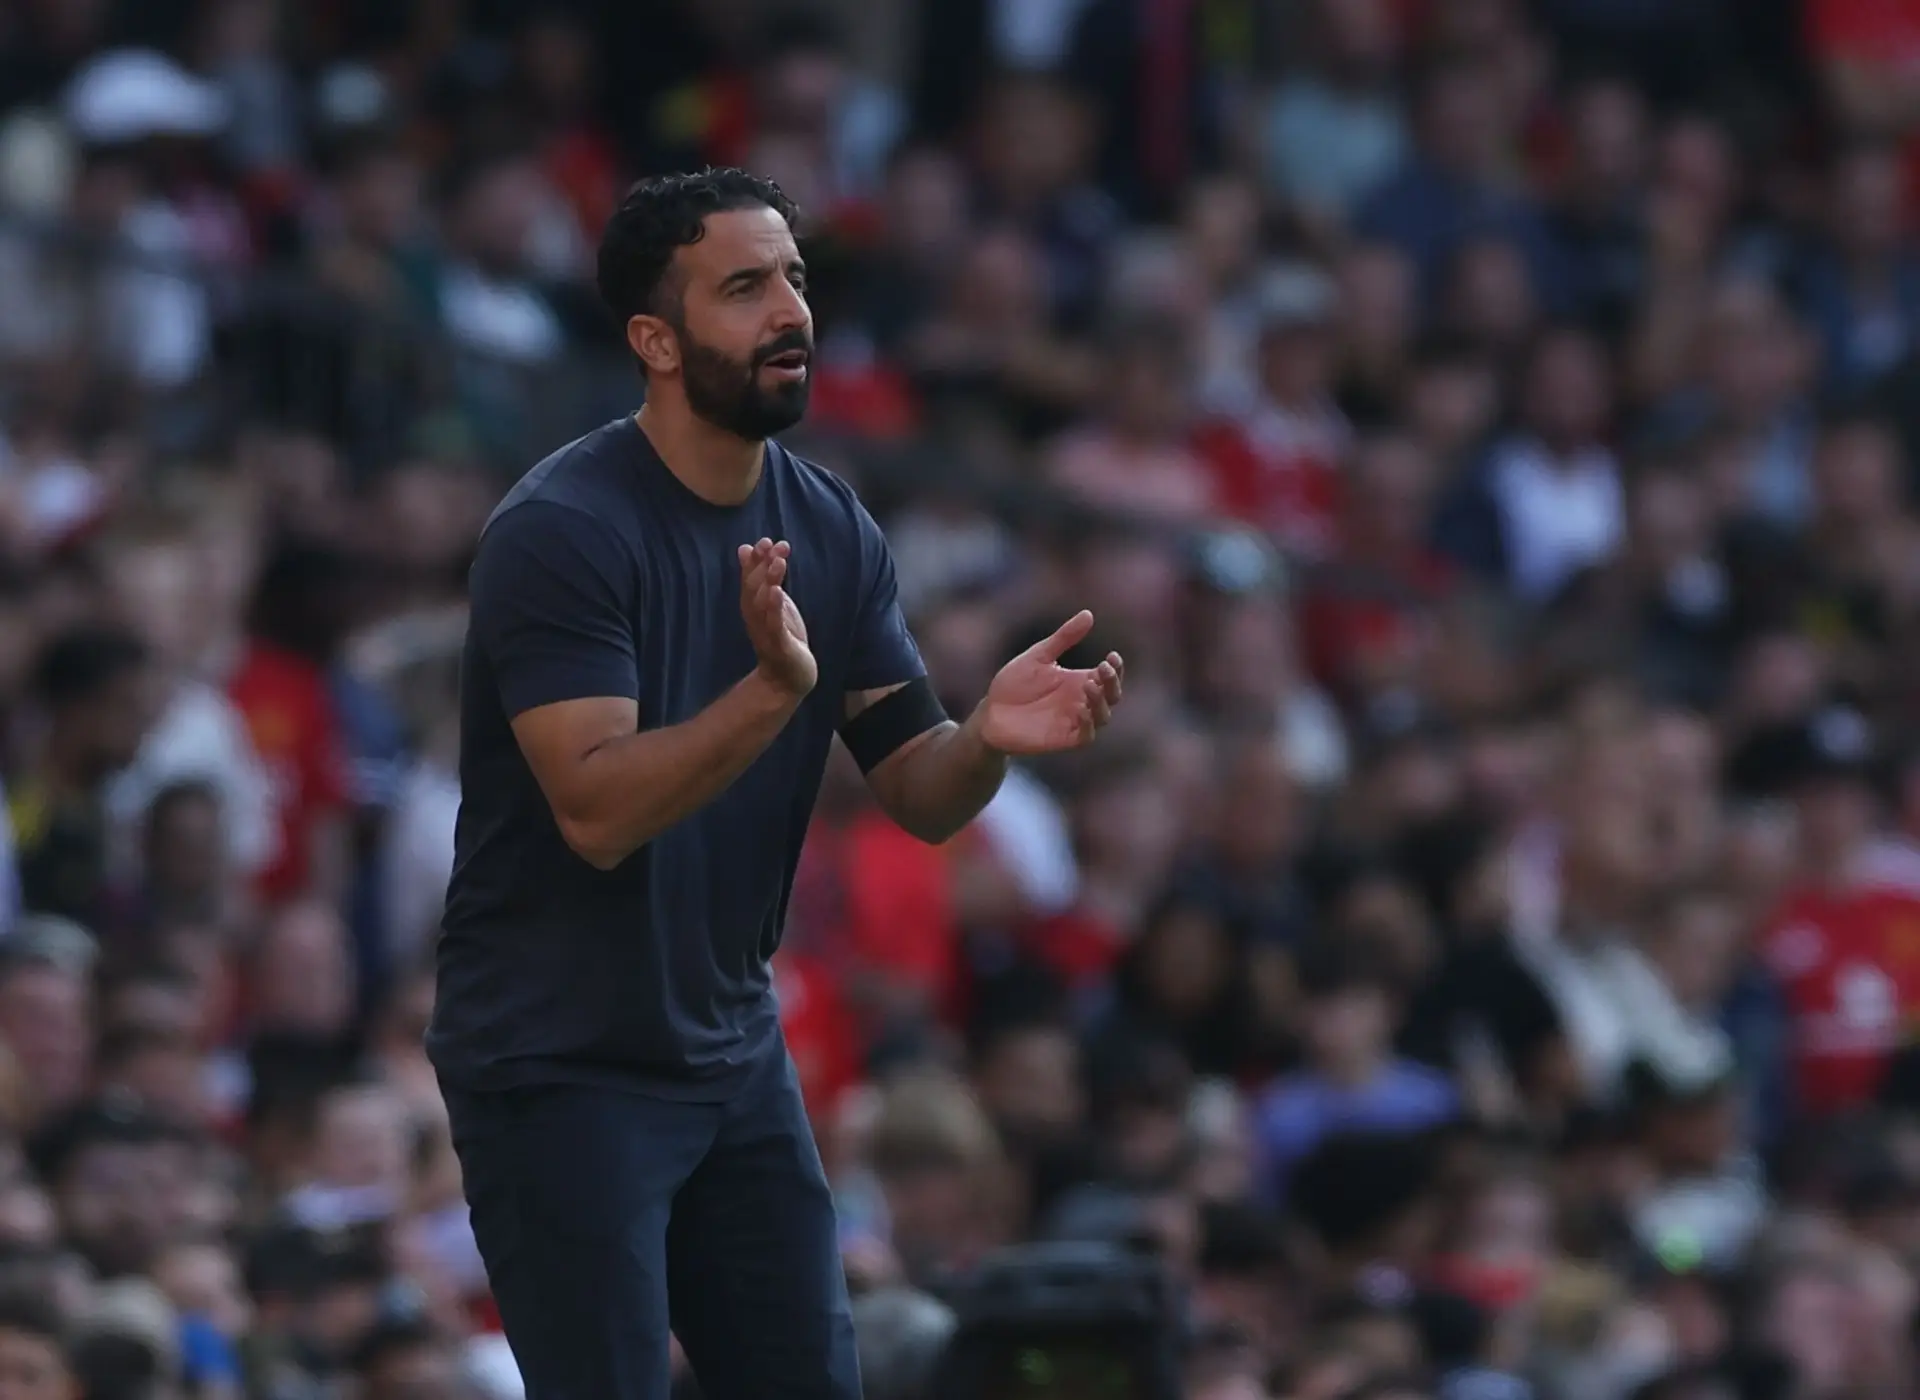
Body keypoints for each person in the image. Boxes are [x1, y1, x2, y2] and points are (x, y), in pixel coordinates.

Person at [428, 167, 1127, 1400]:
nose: (791, 311)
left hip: (729, 1046)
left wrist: (986, 739)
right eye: (744, 287)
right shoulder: (563, 530)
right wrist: (768, 693)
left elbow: (919, 790)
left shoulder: (833, 527)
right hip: (558, 1058)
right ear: (656, 339)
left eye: (794, 279)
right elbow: (595, 809)